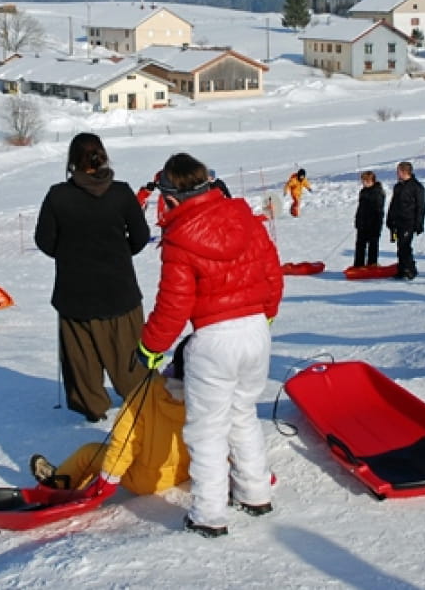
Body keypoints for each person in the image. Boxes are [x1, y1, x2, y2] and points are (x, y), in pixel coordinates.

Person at [137, 151, 283, 537]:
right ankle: (254, 493)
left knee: (206, 430)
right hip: (255, 332)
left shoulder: (180, 239)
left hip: (215, 339)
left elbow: (173, 304)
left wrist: (151, 347)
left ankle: (208, 514)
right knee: (243, 413)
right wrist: (265, 314)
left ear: (170, 198)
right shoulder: (246, 219)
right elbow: (272, 272)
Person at [35, 133, 152, 423]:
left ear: (72, 161)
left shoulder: (58, 196)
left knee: (82, 359)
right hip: (119, 289)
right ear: (103, 156)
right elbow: (141, 237)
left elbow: (44, 241)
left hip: (75, 293)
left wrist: (70, 255)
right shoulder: (122, 193)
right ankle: (142, 400)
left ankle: (92, 405)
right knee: (128, 355)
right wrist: (118, 254)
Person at [29, 335, 192, 498]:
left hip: (146, 480)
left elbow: (124, 442)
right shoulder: (208, 398)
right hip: (186, 472)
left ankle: (58, 484)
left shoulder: (148, 393)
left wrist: (109, 478)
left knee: (89, 453)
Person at [386, 161, 425, 280]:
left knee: (405, 245)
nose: (397, 174)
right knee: (400, 246)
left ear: (405, 172)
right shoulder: (398, 186)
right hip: (398, 221)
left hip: (409, 221)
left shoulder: (416, 187)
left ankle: (410, 269)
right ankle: (402, 269)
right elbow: (393, 204)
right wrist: (390, 219)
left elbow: (421, 207)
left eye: (398, 171)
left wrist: (419, 223)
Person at [352, 170, 386, 268]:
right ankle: (358, 264)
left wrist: (376, 223)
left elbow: (378, 209)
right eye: (363, 181)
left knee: (373, 244)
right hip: (362, 223)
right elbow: (360, 207)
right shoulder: (363, 191)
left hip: (374, 223)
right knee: (360, 244)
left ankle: (372, 263)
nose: (364, 183)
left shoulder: (378, 192)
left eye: (367, 181)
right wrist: (357, 219)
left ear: (372, 181)